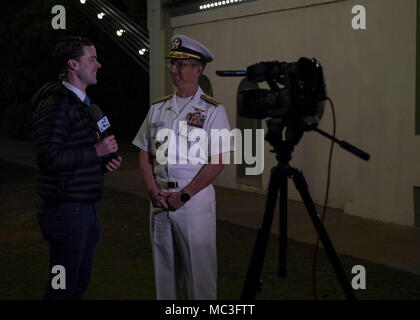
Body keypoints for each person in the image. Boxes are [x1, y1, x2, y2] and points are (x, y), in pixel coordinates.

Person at [132, 34, 233, 300]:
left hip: (193, 202)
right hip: (160, 201)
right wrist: (152, 189)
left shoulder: (213, 111)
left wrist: (184, 195)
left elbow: (218, 160)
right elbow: (144, 153)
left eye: (181, 64)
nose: (173, 69)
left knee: (199, 278)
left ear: (198, 70)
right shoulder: (158, 109)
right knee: (164, 278)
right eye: (172, 63)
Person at [32, 36, 122, 300]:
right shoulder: (56, 104)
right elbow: (48, 158)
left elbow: (74, 154)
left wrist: (103, 162)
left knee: (77, 285)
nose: (99, 65)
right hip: (66, 211)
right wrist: (95, 151)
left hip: (86, 208)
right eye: (92, 59)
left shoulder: (84, 106)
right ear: (73, 64)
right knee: (61, 289)